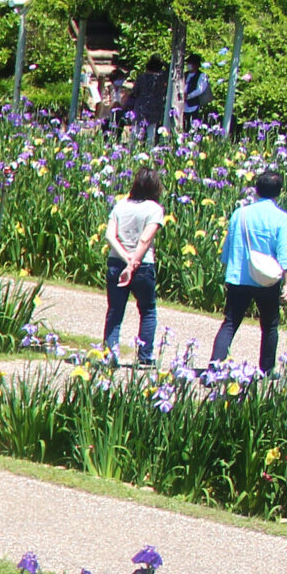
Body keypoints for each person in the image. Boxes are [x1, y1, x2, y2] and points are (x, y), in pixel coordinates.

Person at [211, 169, 287, 372]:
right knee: (269, 326)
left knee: (230, 323)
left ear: (256, 190)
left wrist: (228, 272)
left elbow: (229, 247)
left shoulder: (240, 214)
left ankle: (214, 368)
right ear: (279, 192)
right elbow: (284, 253)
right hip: (267, 280)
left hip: (239, 277)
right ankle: (266, 371)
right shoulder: (281, 218)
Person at [103, 166, 164, 365]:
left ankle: (111, 354)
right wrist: (133, 263)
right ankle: (145, 357)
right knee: (147, 310)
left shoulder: (120, 205)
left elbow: (110, 235)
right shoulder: (154, 209)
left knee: (115, 311)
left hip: (116, 262)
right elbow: (145, 239)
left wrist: (125, 257)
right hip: (143, 265)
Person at [130, 56, 168, 139]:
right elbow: (169, 72)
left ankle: (134, 145)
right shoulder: (162, 78)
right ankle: (150, 145)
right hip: (155, 106)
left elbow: (135, 91)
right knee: (152, 130)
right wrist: (165, 64)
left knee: (137, 129)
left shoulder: (141, 77)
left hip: (141, 105)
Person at [182, 54, 215, 133]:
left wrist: (188, 96)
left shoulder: (202, 76)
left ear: (196, 65)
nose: (188, 65)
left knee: (192, 124)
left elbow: (200, 90)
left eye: (190, 63)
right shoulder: (185, 74)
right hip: (182, 104)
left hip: (193, 104)